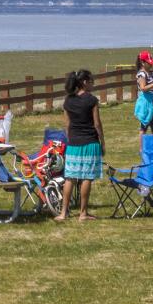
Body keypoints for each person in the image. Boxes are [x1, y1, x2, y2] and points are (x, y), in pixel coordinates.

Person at [55, 69, 104, 222]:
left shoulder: (68, 101)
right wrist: (102, 142)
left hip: (73, 143)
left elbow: (67, 125)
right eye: (91, 81)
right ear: (84, 82)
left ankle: (63, 213)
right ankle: (83, 213)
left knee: (70, 177)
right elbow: (97, 124)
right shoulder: (91, 100)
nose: (93, 84)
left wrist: (70, 140)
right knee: (86, 177)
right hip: (89, 142)